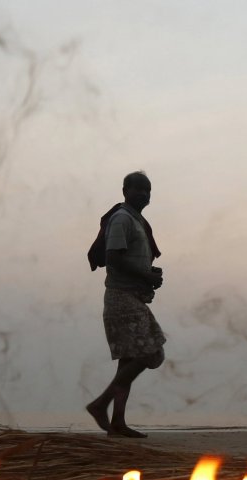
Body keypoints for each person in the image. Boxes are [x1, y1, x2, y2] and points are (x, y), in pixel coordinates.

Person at [85, 171, 165, 438]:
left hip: (132, 295)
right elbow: (114, 258)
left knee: (130, 359)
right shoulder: (122, 219)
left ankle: (117, 422)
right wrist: (146, 275)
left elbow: (130, 258)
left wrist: (149, 275)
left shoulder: (138, 221)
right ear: (125, 191)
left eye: (148, 190)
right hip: (121, 296)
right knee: (148, 351)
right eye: (138, 189)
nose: (144, 194)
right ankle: (100, 404)